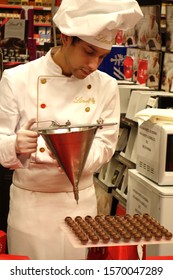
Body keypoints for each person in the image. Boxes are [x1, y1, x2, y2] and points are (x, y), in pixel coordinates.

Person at [0, 0, 142, 260]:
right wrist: (15, 145)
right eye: (89, 52)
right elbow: (1, 140)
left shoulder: (107, 86)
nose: (94, 65)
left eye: (102, 56)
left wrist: (74, 156)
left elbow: (107, 144)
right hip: (31, 206)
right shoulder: (17, 79)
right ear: (66, 38)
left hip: (81, 206)